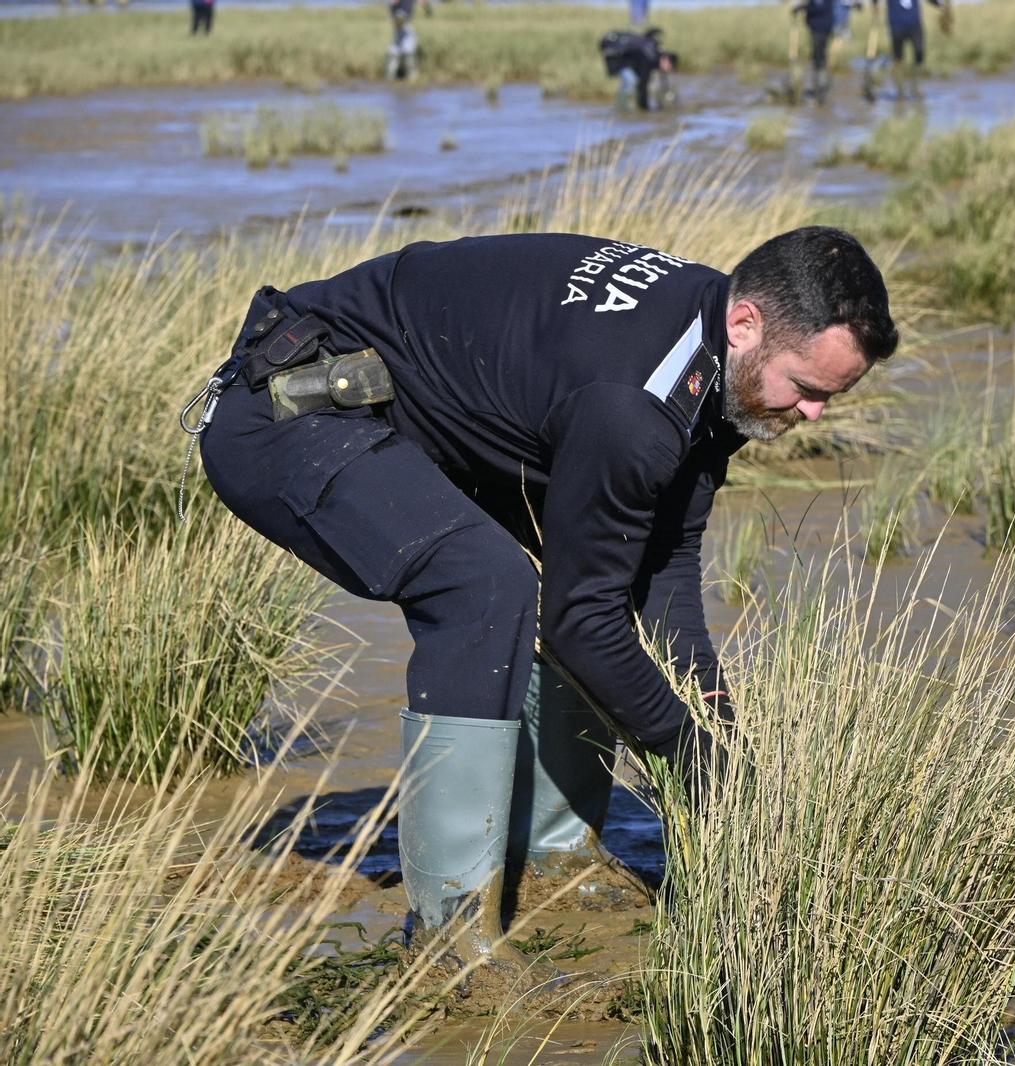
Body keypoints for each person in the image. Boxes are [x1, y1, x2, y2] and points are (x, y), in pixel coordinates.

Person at [191, 227, 897, 970]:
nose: (816, 414)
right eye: (808, 389)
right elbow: (580, 619)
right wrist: (690, 756)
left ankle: (557, 856)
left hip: (411, 412)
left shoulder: (721, 362)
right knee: (483, 584)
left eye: (832, 396)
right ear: (746, 322)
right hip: (286, 411)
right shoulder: (634, 404)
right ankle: (450, 935)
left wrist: (717, 743)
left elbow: (661, 570)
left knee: (572, 558)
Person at [877, 0, 942, 100]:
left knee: (919, 51)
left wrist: (939, 4)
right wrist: (874, 4)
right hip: (896, 26)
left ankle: (916, 85)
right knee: (898, 58)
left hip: (914, 24)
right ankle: (900, 91)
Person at [600, 28, 677, 111]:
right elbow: (643, 84)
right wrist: (645, 108)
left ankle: (625, 106)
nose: (667, 70)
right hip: (616, 59)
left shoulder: (652, 51)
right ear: (665, 60)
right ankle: (621, 107)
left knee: (632, 80)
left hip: (622, 58)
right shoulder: (649, 57)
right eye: (669, 67)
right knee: (630, 80)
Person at [794, 0, 835, 103]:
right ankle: (820, 87)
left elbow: (818, 7)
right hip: (818, 27)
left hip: (821, 28)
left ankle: (821, 88)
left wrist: (803, 8)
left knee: (819, 58)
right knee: (819, 57)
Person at [387, 0, 419, 80]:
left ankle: (411, 76)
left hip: (405, 23)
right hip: (400, 24)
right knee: (395, 52)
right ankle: (392, 76)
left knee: (407, 52)